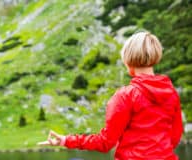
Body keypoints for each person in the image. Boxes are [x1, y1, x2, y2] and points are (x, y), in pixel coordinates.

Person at [38, 32, 184, 160]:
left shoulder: (125, 96)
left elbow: (105, 142)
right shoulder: (171, 93)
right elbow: (174, 137)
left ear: (128, 61)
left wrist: (66, 140)